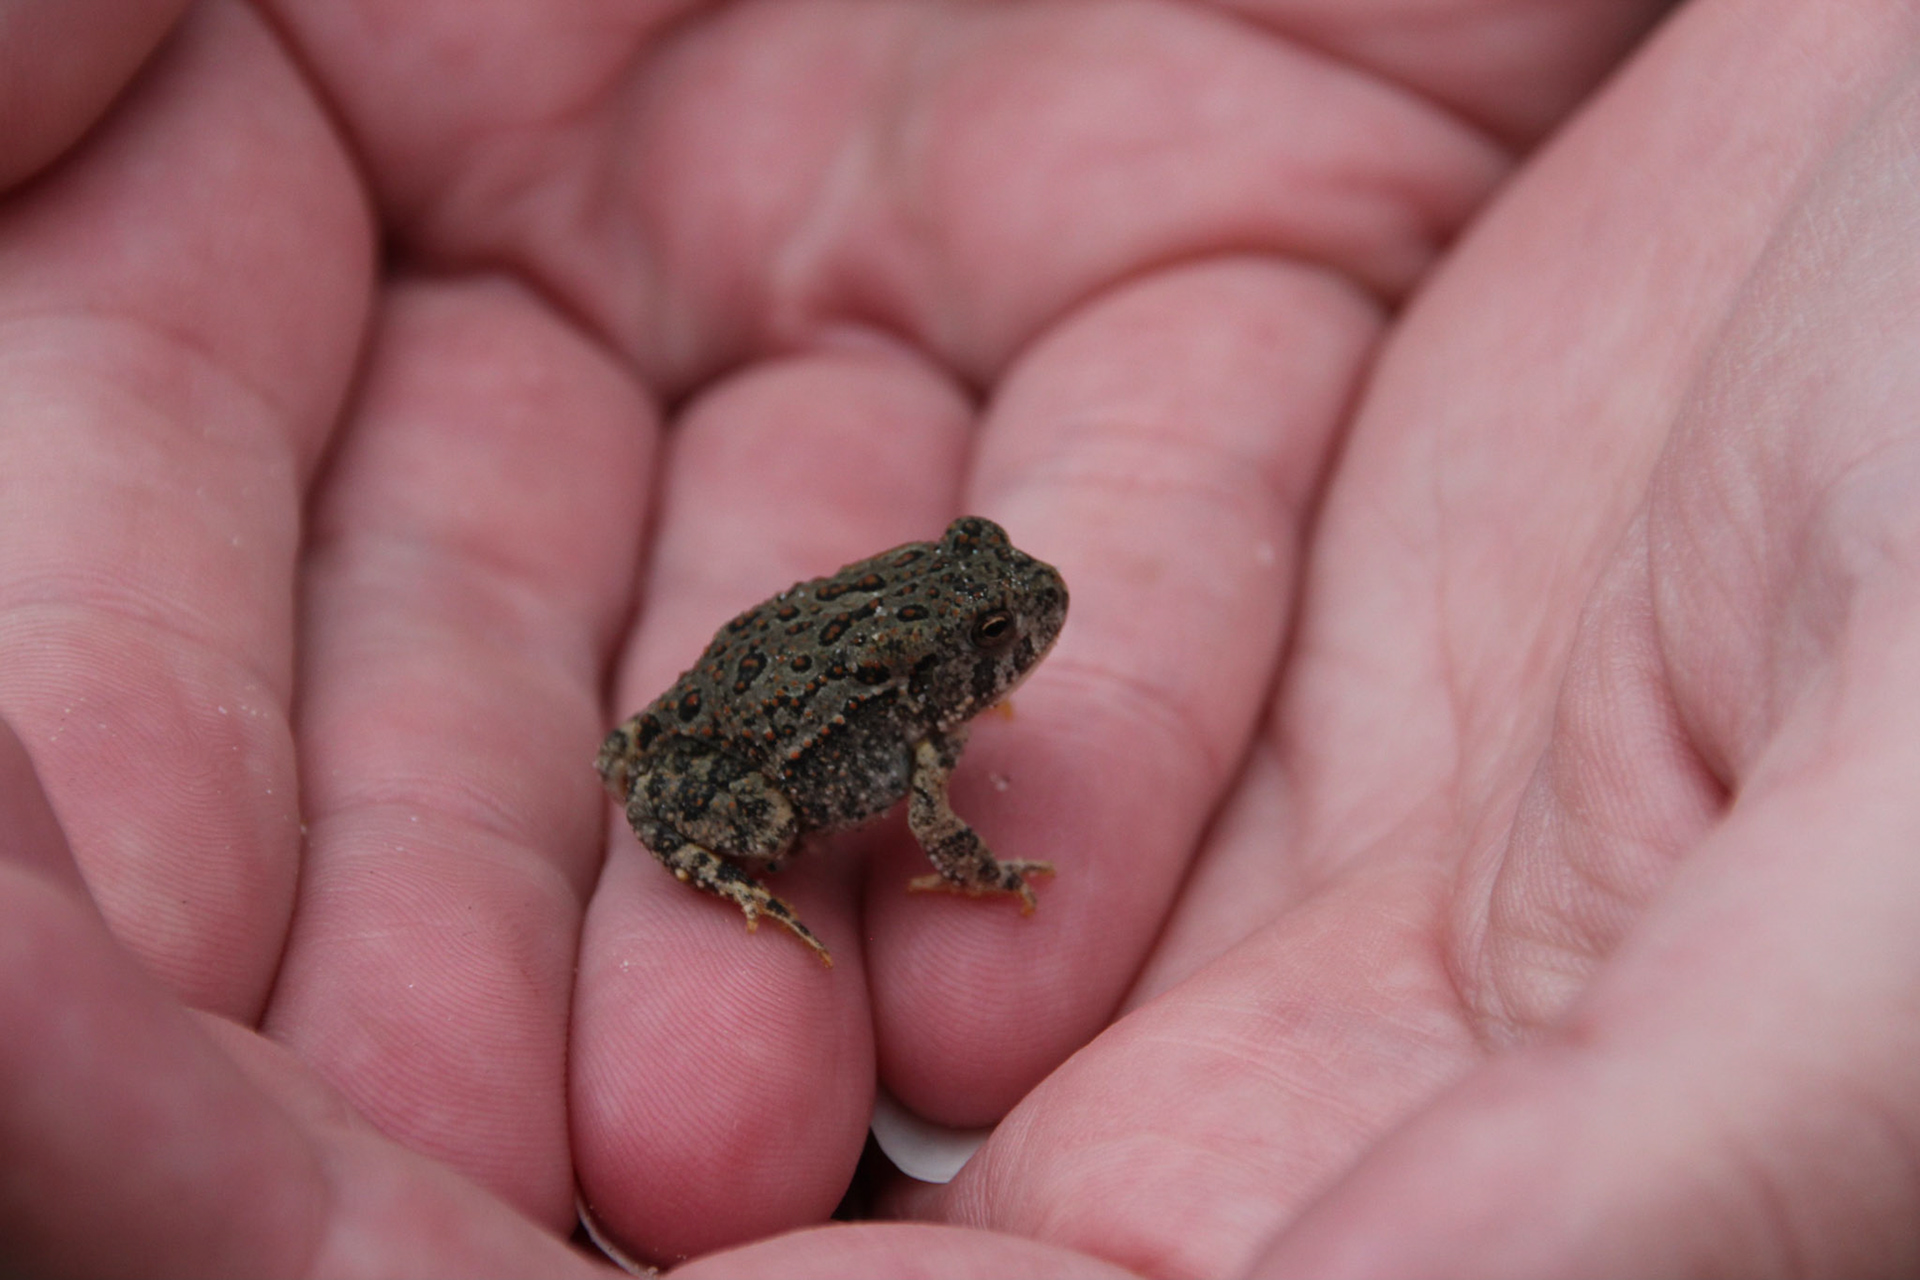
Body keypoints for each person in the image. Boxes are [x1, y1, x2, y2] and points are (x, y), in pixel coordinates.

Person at [5, 0, 1917, 1274]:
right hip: (719, 756)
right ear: (955, 655)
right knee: (740, 862)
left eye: (997, 603)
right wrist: (980, 877)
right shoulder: (922, 725)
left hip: (699, 698)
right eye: (1000, 620)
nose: (1028, 630)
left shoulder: (924, 658)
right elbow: (926, 814)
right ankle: (723, 872)